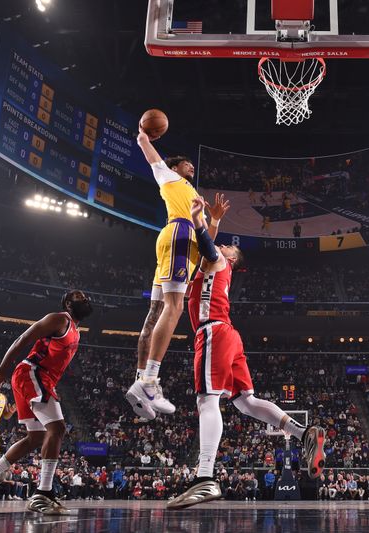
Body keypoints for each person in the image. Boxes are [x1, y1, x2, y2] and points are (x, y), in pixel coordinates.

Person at [166, 197, 326, 510]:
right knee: (246, 402)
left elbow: (207, 244)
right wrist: (214, 221)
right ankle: (304, 433)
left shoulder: (219, 262)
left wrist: (201, 219)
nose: (223, 245)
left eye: (228, 247)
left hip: (213, 330)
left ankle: (204, 478)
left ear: (233, 259)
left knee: (206, 400)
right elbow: (208, 245)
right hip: (228, 334)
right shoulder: (213, 267)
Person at [126, 129, 229, 421]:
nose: (192, 167)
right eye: (187, 164)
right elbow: (153, 160)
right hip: (180, 236)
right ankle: (148, 382)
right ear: (175, 168)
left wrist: (216, 219)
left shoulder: (194, 195)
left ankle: (140, 379)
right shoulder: (171, 178)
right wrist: (144, 137)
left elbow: (208, 238)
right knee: (174, 307)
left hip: (186, 242)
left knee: (156, 311)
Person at [0, 290, 93, 515]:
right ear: (68, 303)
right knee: (58, 428)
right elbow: (22, 339)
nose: (85, 300)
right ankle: (43, 494)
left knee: (35, 437)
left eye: (86, 297)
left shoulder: (76, 330)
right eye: (79, 297)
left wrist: (51, 388)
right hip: (32, 373)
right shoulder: (59, 318)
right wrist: (1, 371)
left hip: (39, 378)